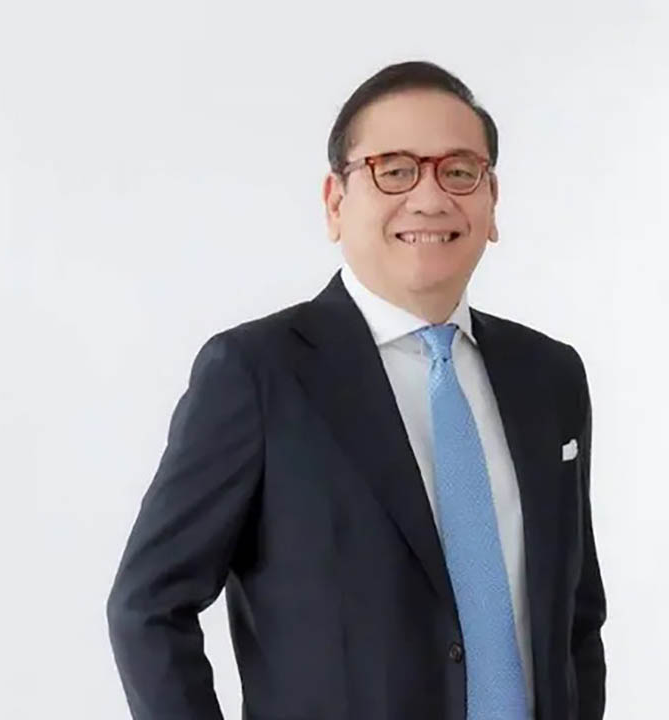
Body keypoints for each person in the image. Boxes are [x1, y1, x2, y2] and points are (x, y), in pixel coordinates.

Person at [106, 59, 606, 720]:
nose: (430, 199)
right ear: (336, 202)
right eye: (394, 170)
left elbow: (575, 617)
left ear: (491, 202)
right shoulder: (257, 373)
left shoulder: (549, 375)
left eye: (460, 171)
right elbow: (147, 608)